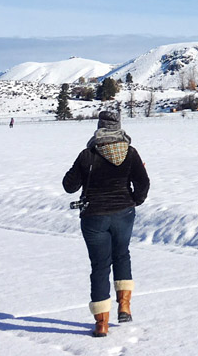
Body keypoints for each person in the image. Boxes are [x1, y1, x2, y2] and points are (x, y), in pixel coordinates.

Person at [62, 110, 150, 337]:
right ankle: (125, 306)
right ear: (119, 126)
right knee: (122, 255)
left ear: (99, 127)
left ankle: (101, 324)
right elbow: (143, 182)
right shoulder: (130, 152)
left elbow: (69, 186)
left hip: (94, 216)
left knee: (100, 266)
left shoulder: (87, 154)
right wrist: (134, 201)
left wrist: (80, 167)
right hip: (123, 212)